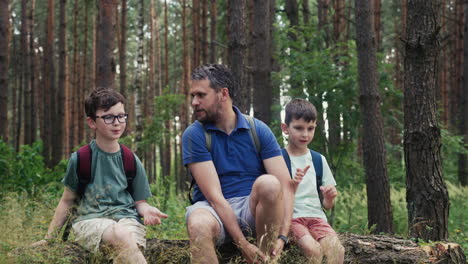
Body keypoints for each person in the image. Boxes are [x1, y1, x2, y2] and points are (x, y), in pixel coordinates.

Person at [32, 89, 168, 264]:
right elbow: (67, 201)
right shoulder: (81, 158)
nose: (117, 123)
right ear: (92, 122)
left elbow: (140, 202)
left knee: (124, 245)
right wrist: (49, 239)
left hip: (128, 220)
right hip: (89, 221)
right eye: (108, 117)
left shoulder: (130, 159)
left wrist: (147, 209)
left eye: (121, 116)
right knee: (121, 235)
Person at [182, 64, 295, 264]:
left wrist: (283, 236)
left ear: (223, 94)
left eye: (201, 95)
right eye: (193, 96)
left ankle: (265, 259)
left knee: (269, 184)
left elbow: (285, 186)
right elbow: (215, 198)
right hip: (213, 210)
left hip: (252, 208)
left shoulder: (258, 130)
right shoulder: (194, 135)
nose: (194, 102)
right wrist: (243, 244)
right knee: (198, 223)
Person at [281, 98, 345, 264]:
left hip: (317, 218)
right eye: (299, 128)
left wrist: (329, 198)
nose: (305, 134)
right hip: (292, 218)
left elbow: (326, 205)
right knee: (312, 250)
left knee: (338, 250)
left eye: (310, 129)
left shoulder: (318, 160)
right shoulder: (279, 159)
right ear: (285, 128)